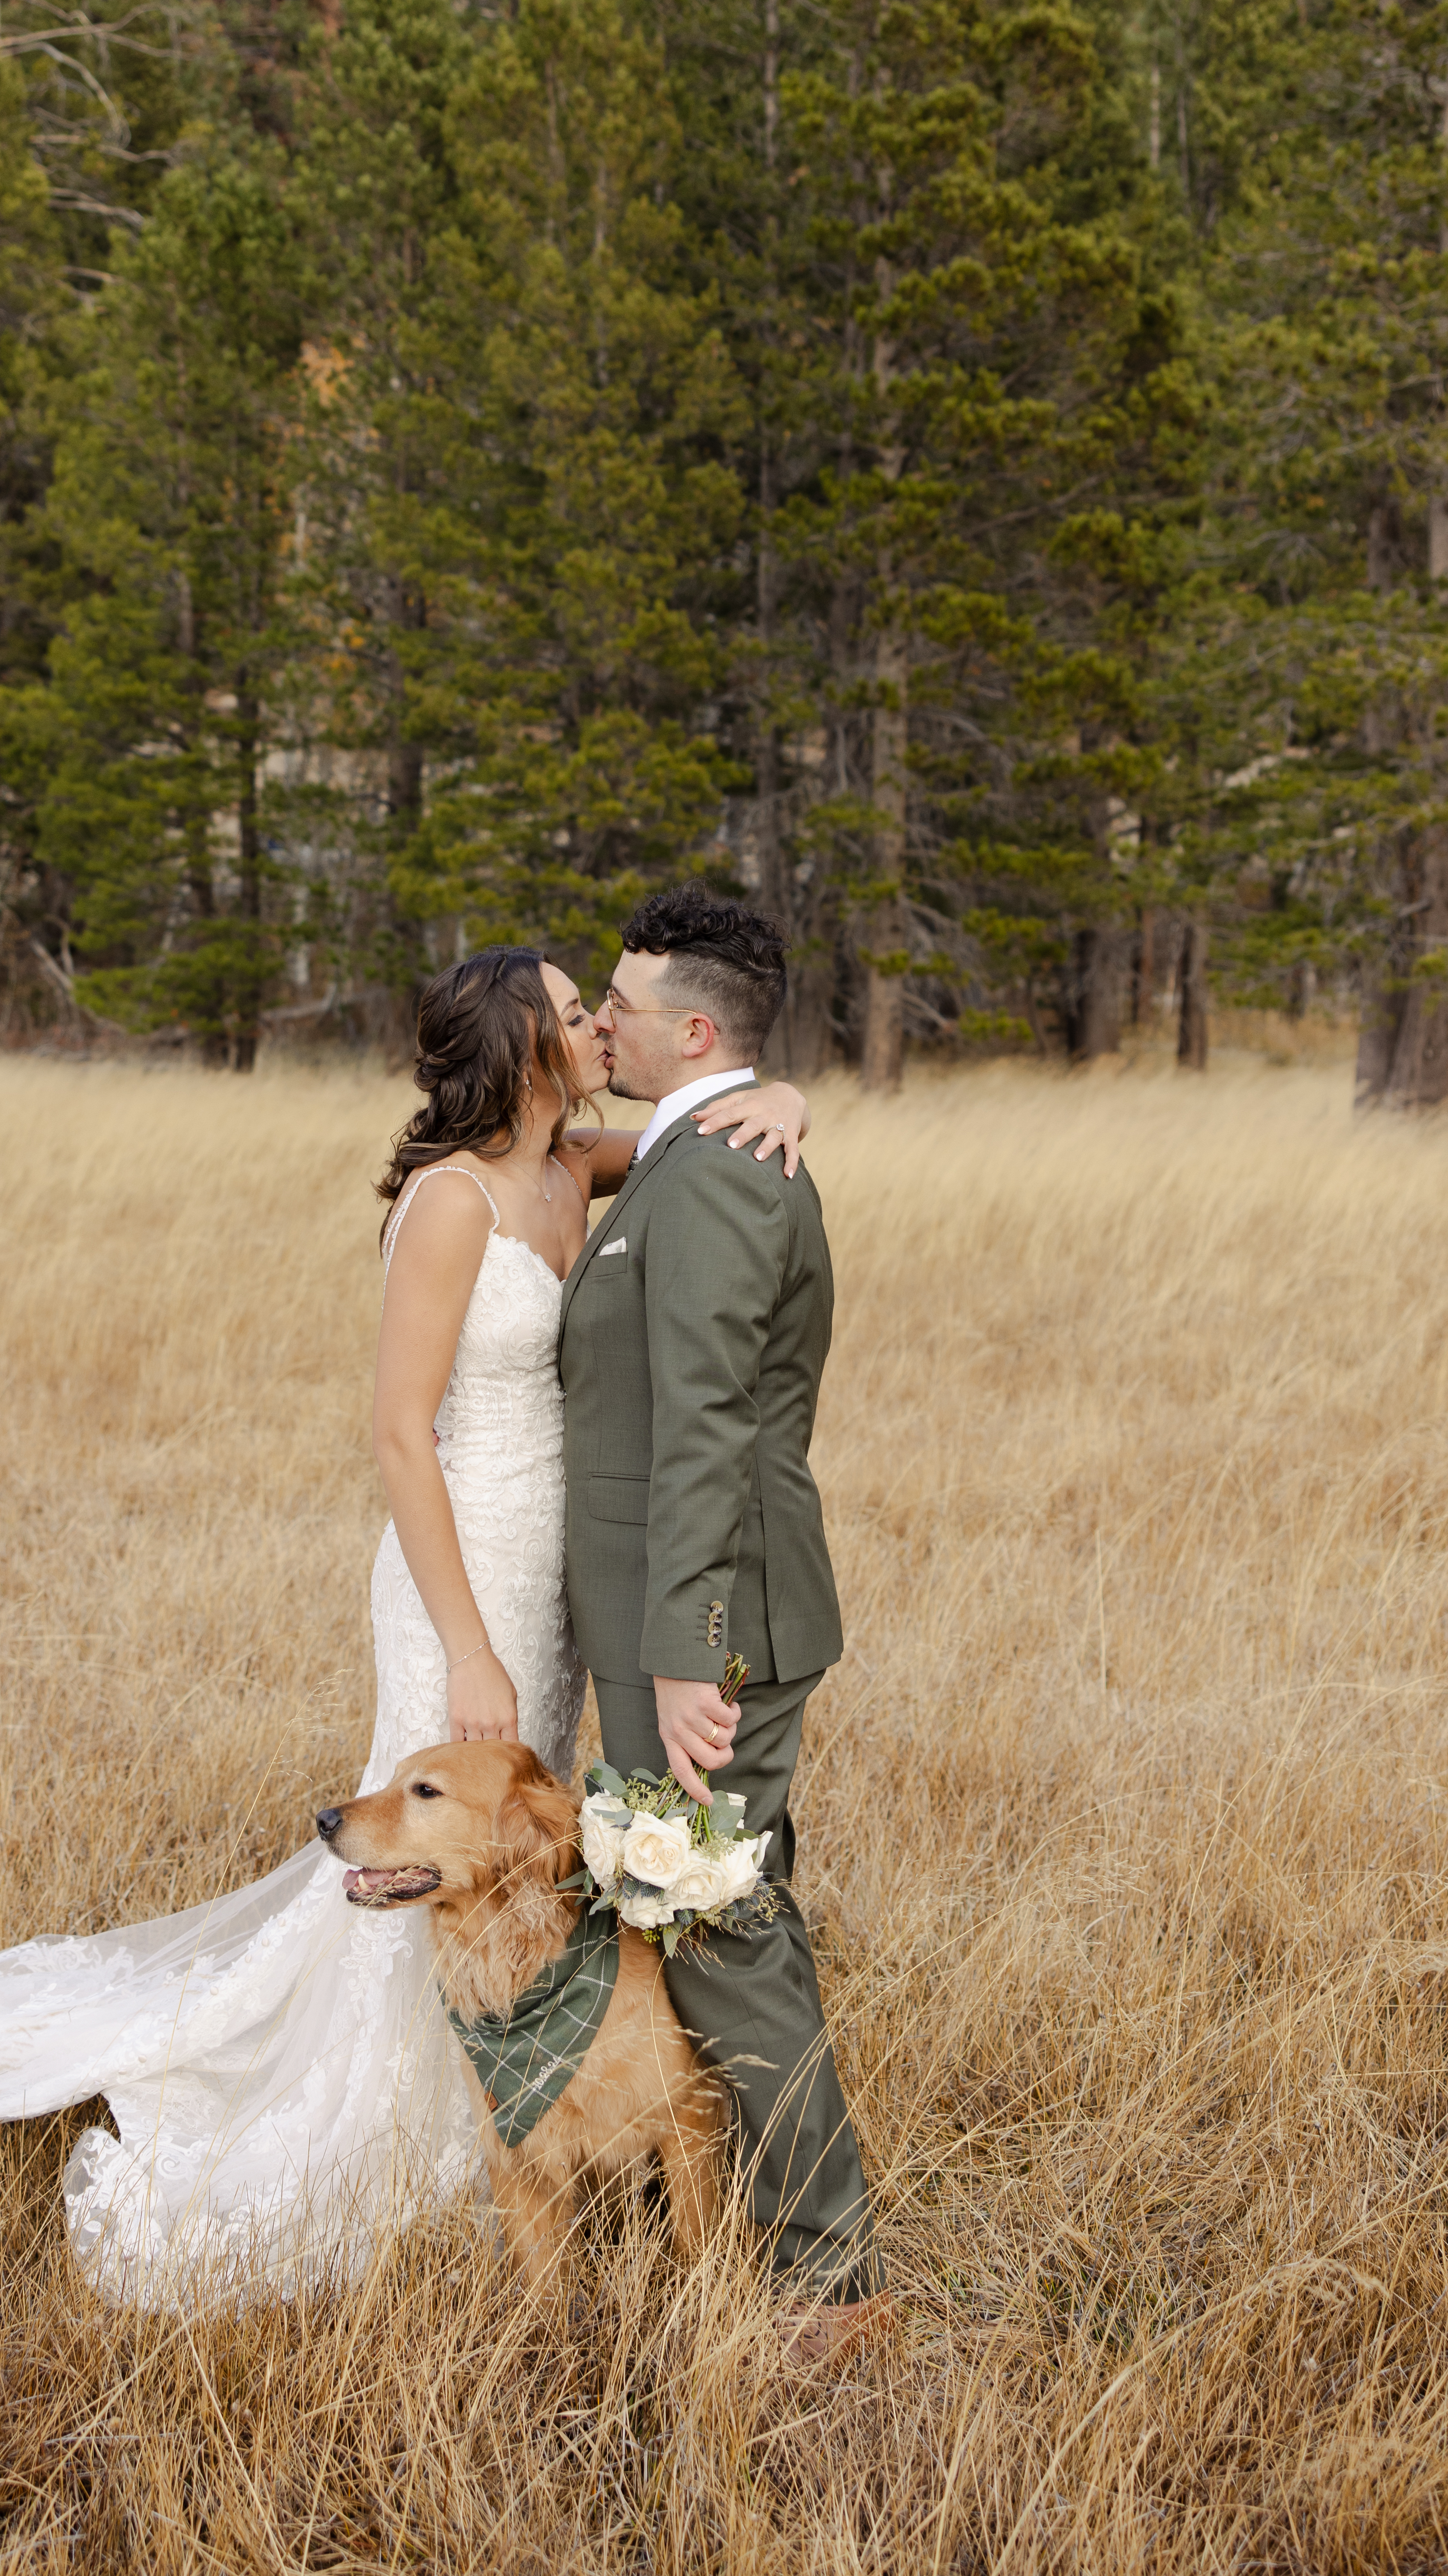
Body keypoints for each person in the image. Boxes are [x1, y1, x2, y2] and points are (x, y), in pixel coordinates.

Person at [0, 948, 809, 2302]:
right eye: (571, 1010)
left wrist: (784, 1097)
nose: (601, 1024)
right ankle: (405, 2132)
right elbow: (397, 1437)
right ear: (526, 1047)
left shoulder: (567, 1168)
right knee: (429, 1822)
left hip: (547, 1573)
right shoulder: (452, 1202)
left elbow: (684, 1132)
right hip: (459, 1570)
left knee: (506, 1841)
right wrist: (470, 1644)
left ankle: (513, 2089)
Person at [561, 883, 886, 2364]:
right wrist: (777, 1088)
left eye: (619, 1004)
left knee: (719, 1921)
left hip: (711, 1619)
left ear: (692, 1027)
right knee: (702, 1914)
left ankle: (830, 2277)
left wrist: (694, 1646)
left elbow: (705, 1421)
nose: (601, 1023)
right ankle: (722, 2195)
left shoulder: (721, 1180)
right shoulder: (702, 1148)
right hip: (671, 1607)